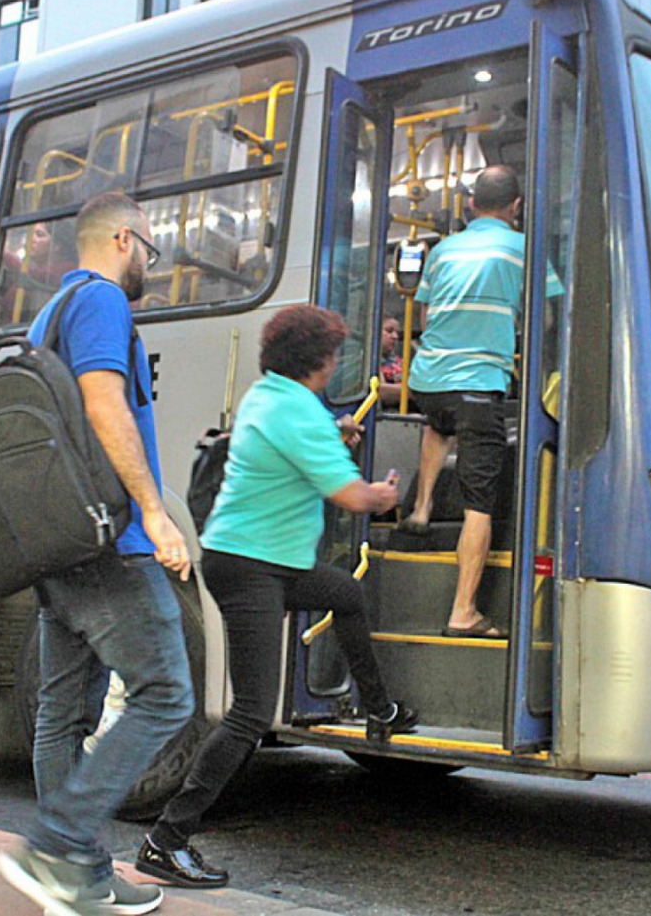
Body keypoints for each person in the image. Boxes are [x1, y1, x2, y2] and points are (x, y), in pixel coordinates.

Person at [134, 304, 418, 890]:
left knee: (343, 592)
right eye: (335, 355)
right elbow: (350, 496)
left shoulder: (270, 396)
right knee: (250, 714)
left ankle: (378, 709)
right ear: (318, 362)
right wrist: (386, 494)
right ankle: (166, 840)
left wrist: (334, 433)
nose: (338, 363)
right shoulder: (299, 413)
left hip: (268, 563)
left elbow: (290, 442)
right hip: (251, 570)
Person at [0, 192, 194, 916]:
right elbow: (105, 404)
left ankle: (78, 874)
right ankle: (54, 845)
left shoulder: (50, 312)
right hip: (109, 541)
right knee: (167, 693)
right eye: (149, 247)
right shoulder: (104, 300)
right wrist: (152, 511)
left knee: (63, 711)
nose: (150, 263)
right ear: (121, 238)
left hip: (61, 541)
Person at [400, 165, 525, 639]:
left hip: (429, 378)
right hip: (479, 381)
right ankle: (463, 611)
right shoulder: (522, 248)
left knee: (438, 422)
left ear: (470, 205)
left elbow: (429, 312)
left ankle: (422, 508)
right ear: (515, 208)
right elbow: (552, 307)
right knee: (479, 502)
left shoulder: (444, 249)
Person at [377, 314, 404, 407]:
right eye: (389, 331)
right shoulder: (369, 361)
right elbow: (381, 391)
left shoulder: (399, 361)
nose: (395, 336)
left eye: (397, 333)